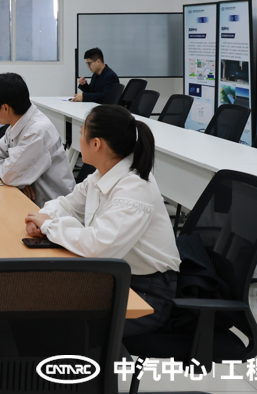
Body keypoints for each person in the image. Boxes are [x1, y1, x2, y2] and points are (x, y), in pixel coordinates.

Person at [24, 105, 180, 337]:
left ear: (96, 144)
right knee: (41, 302)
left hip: (148, 292)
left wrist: (49, 225)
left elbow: (99, 247)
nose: (79, 139)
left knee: (61, 322)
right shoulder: (102, 175)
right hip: (117, 276)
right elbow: (67, 204)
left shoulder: (134, 187)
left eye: (81, 133)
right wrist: (42, 219)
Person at [0, 73, 75, 207]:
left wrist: (16, 177)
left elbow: (9, 175)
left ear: (5, 108)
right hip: (31, 198)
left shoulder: (37, 131)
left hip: (53, 207)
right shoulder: (17, 123)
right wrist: (19, 180)